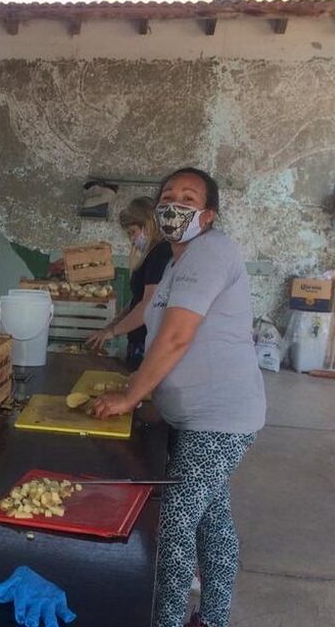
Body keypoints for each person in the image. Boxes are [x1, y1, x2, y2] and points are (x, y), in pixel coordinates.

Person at [92, 167, 265, 627]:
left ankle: (169, 621)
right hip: (198, 418)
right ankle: (211, 619)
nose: (175, 205)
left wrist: (131, 395)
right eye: (168, 195)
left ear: (207, 215)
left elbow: (175, 338)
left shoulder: (211, 252)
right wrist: (142, 389)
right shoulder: (175, 262)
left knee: (173, 525)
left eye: (189, 198)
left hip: (219, 419)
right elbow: (154, 325)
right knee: (211, 521)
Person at [86, 197, 172, 369]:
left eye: (133, 232)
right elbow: (137, 301)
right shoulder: (152, 255)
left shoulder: (160, 254)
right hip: (139, 340)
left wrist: (112, 332)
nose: (132, 240)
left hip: (148, 344)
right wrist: (112, 325)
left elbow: (148, 305)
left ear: (148, 225)